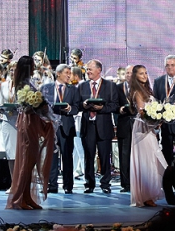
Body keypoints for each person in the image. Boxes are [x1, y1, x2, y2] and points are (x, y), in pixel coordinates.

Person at [6, 55, 56, 209]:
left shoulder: (27, 82)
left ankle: (27, 196)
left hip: (32, 121)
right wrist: (39, 105)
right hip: (27, 122)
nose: (35, 67)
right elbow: (26, 106)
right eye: (32, 65)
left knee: (31, 160)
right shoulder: (22, 84)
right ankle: (19, 197)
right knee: (27, 161)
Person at [128, 64, 167, 207]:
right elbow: (143, 112)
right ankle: (144, 195)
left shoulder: (147, 90)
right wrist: (154, 120)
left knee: (151, 158)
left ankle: (150, 193)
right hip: (142, 128)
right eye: (141, 74)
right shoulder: (137, 91)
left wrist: (159, 119)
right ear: (135, 76)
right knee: (145, 161)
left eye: (145, 73)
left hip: (149, 128)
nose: (144, 76)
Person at [79, 59, 118, 194]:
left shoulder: (110, 86)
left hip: (103, 126)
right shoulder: (82, 86)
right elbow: (77, 104)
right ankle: (89, 184)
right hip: (87, 125)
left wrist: (101, 108)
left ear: (99, 70)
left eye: (90, 69)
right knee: (88, 156)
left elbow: (114, 105)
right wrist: (83, 105)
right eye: (87, 69)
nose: (88, 71)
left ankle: (105, 183)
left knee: (104, 156)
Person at [41, 63, 80, 194]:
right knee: (51, 156)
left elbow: (76, 107)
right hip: (50, 126)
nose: (69, 75)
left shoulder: (73, 89)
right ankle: (52, 185)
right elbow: (41, 107)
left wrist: (70, 109)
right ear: (58, 74)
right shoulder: (46, 88)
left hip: (66, 126)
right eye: (67, 73)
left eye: (70, 73)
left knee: (67, 156)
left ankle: (68, 186)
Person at [115, 65, 135, 193]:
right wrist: (119, 109)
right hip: (123, 123)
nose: (128, 75)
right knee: (124, 154)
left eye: (131, 73)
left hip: (138, 124)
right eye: (127, 73)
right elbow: (113, 103)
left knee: (137, 155)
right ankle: (125, 183)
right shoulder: (117, 88)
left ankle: (137, 181)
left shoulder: (141, 88)